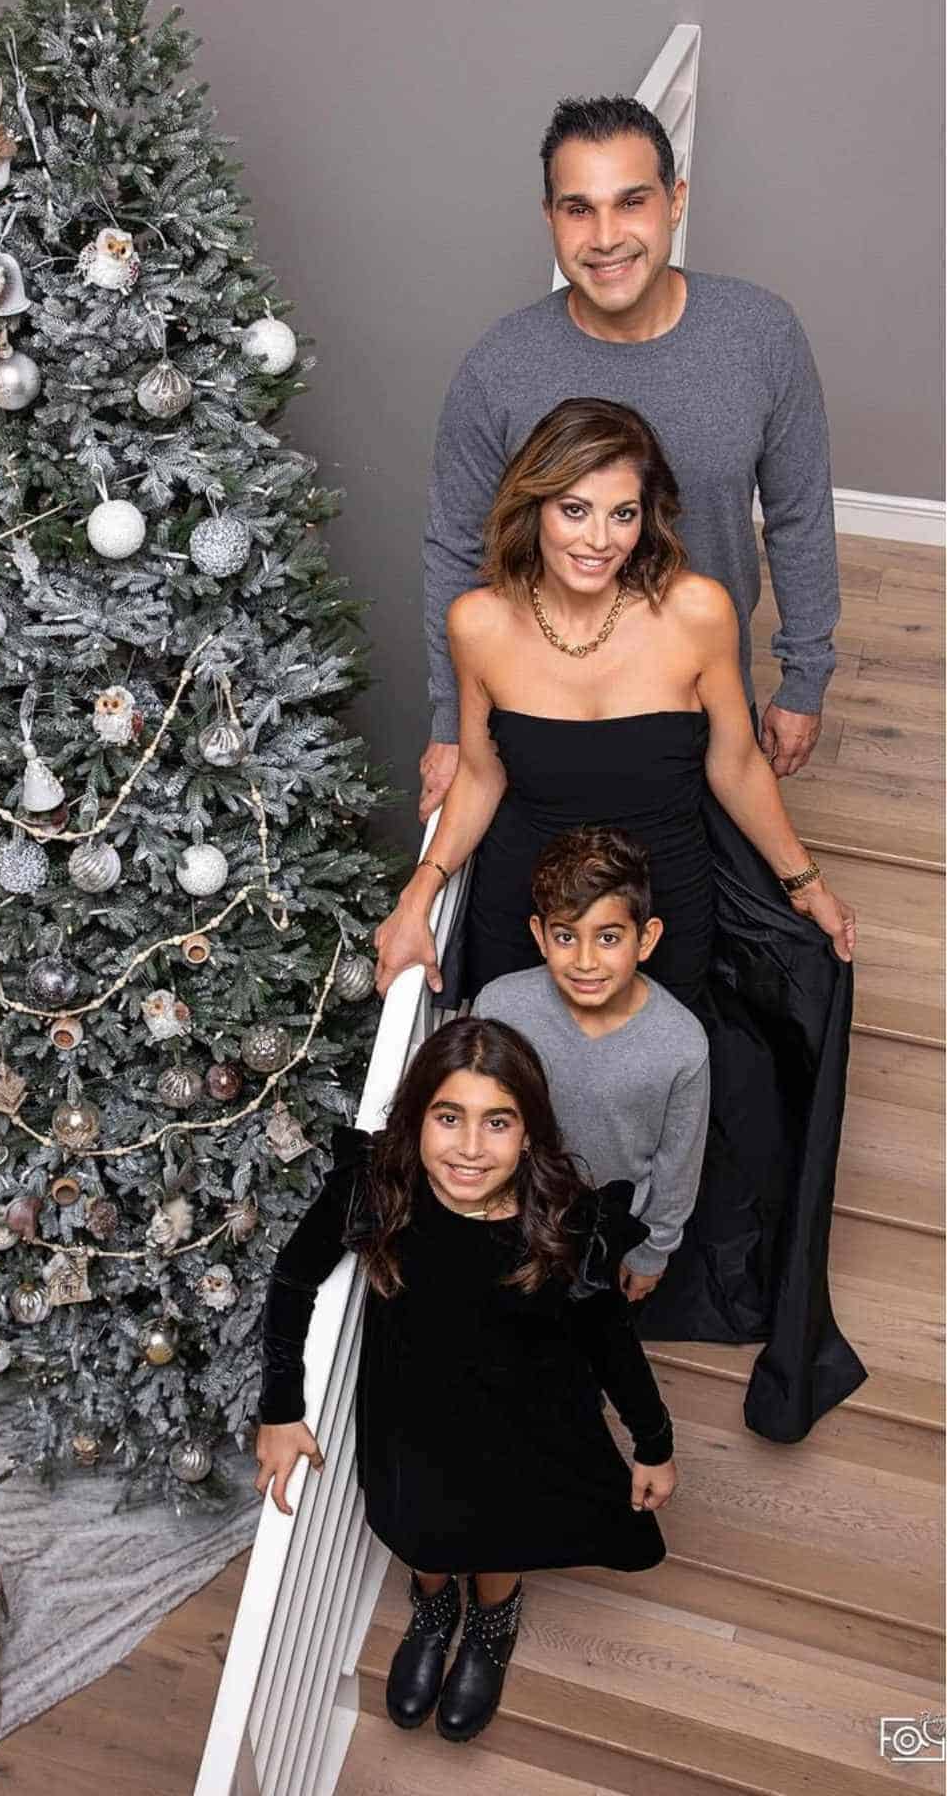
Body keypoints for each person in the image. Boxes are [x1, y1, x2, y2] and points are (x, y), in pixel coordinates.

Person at [373, 397, 867, 1446]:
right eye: (574, 509)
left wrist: (804, 879)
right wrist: (418, 895)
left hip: (658, 913)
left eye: (624, 514)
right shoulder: (481, 622)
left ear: (654, 518)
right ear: (533, 506)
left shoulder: (694, 611)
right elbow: (483, 773)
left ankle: (617, 1288)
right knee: (520, 1118)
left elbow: (733, 759)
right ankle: (528, 1319)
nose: (598, 538)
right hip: (529, 914)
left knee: (637, 1103)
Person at [255, 1017, 677, 1747]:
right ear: (417, 1117)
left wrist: (654, 1440)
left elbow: (609, 1339)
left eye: (498, 1123)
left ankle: (490, 1620)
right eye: (449, 1118)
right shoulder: (375, 1192)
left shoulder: (564, 1222)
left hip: (524, 1419)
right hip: (409, 1416)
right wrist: (280, 1408)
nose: (472, 1149)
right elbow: (293, 1278)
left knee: (500, 1530)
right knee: (421, 1529)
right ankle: (431, 1606)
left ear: (529, 1133)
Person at [419, 93, 839, 822]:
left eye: (631, 202)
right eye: (578, 208)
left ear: (675, 202)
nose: (606, 237)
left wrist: (804, 679)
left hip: (704, 718)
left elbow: (800, 517)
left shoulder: (761, 335)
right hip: (537, 727)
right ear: (548, 217)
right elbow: (455, 549)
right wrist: (449, 724)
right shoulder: (501, 367)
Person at [473, 825, 709, 1308]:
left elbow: (677, 1164)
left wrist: (653, 1252)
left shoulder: (682, 1044)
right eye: (565, 936)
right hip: (506, 1218)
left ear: (646, 939)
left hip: (603, 1236)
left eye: (607, 937)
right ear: (540, 935)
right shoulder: (499, 1008)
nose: (585, 961)